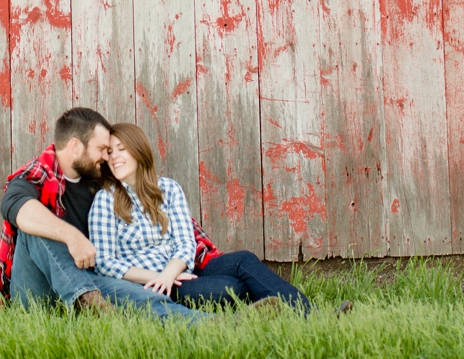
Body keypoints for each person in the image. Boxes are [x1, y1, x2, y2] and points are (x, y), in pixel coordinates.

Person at [0, 107, 203, 321]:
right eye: (102, 149)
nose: (107, 157)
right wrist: (71, 236)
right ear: (76, 146)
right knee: (35, 226)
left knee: (141, 298)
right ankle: (90, 301)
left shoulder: (99, 183)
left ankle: (206, 323)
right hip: (39, 290)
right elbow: (15, 205)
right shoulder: (36, 176)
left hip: (89, 281)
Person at [88, 122, 313, 315]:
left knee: (243, 259)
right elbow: (105, 263)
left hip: (181, 271)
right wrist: (160, 278)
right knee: (228, 288)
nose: (113, 156)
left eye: (121, 149)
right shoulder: (105, 200)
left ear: (138, 150)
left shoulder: (168, 189)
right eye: (109, 152)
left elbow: (186, 243)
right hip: (154, 285)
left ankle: (307, 314)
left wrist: (170, 272)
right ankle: (266, 309)